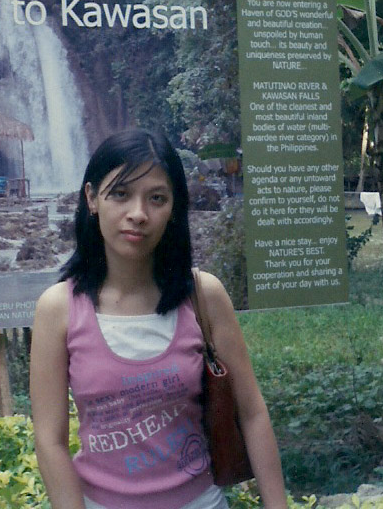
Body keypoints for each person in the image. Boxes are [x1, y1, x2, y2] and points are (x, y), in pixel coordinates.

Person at [30, 128, 287, 509]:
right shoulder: (59, 309)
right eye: (121, 194)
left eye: (157, 198)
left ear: (173, 208)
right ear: (91, 198)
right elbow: (50, 441)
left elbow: (252, 413)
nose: (138, 214)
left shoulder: (203, 296)